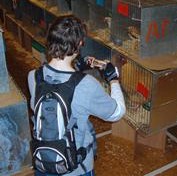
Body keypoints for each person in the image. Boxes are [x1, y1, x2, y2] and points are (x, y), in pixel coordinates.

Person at [28, 15, 126, 176]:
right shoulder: (87, 85)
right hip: (75, 168)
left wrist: (76, 70)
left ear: (50, 39)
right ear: (80, 43)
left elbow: (57, 86)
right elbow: (117, 113)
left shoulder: (34, 76)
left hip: (43, 162)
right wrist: (113, 80)